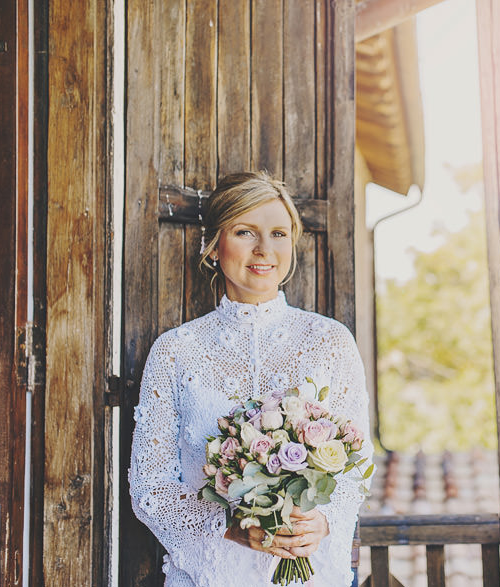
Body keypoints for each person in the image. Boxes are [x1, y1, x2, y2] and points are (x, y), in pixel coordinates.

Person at [129, 171, 372, 586]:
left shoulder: (330, 341)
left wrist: (325, 520)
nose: (264, 249)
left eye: (278, 233)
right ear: (213, 246)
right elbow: (150, 488)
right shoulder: (175, 352)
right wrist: (231, 528)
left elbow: (358, 463)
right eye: (245, 232)